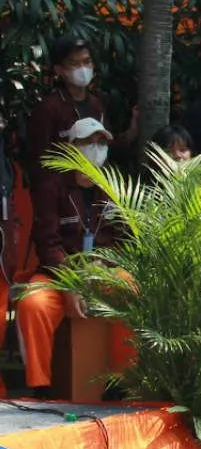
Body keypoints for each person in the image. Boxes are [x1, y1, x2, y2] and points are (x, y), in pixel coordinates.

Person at [16, 118, 134, 399]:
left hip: (104, 270)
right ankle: (40, 385)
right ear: (71, 148)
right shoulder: (51, 185)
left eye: (101, 142)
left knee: (131, 289)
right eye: (88, 142)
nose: (96, 148)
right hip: (59, 274)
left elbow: (126, 239)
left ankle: (121, 380)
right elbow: (47, 242)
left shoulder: (114, 185)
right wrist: (72, 280)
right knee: (33, 305)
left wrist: (105, 265)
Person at [26, 34, 138, 183]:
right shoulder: (49, 108)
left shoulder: (96, 105)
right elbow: (40, 160)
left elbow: (107, 145)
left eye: (87, 62)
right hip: (64, 196)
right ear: (59, 70)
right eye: (74, 64)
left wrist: (132, 131)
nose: (82, 69)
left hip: (97, 188)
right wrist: (72, 179)